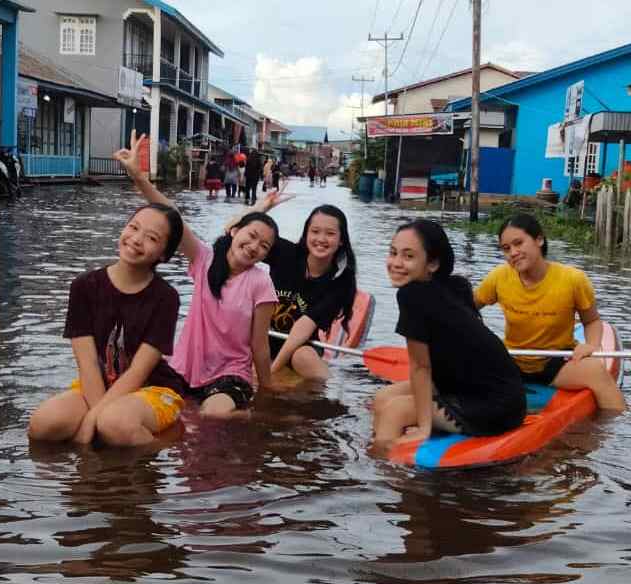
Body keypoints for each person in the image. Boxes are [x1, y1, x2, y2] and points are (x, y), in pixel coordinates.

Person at [118, 130, 280, 415]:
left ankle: (245, 416)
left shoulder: (260, 282)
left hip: (230, 375)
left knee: (212, 415)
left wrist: (267, 394)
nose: (255, 247)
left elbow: (259, 344)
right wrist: (139, 177)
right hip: (184, 370)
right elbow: (171, 216)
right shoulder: (205, 258)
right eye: (252, 236)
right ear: (234, 230)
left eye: (264, 246)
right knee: (130, 401)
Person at [27, 204, 188, 447]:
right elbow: (88, 363)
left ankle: (167, 440)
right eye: (134, 227)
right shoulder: (84, 286)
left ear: (163, 254)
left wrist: (93, 419)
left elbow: (138, 372)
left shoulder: (166, 298)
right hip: (100, 382)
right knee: (43, 426)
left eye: (151, 237)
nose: (136, 239)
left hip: (153, 388)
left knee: (113, 425)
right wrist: (95, 416)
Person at [372, 219, 526, 446]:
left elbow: (420, 367)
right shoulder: (453, 285)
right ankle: (391, 443)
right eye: (393, 253)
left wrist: (424, 426)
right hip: (480, 389)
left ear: (432, 263)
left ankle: (381, 472)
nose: (396, 263)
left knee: (394, 411)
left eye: (408, 256)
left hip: (494, 405)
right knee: (381, 398)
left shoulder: (412, 295)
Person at [475, 213, 626, 411]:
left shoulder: (573, 279)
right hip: (512, 361)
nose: (513, 252)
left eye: (518, 243)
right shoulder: (498, 277)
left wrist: (591, 345)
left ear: (539, 239)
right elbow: (465, 309)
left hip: (556, 363)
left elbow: (591, 321)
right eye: (506, 248)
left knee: (596, 371)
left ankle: (615, 433)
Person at [230, 191, 358, 381]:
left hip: (299, 344)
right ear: (306, 234)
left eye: (330, 234)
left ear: (341, 240)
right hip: (262, 336)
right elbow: (233, 233)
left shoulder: (341, 280)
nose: (321, 239)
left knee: (303, 356)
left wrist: (270, 373)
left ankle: (327, 398)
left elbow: (302, 328)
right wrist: (261, 209)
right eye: (315, 232)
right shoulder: (286, 253)